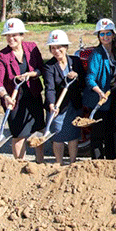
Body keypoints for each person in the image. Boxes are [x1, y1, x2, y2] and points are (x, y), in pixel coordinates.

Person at [0, 18, 46, 162]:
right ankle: (19, 164)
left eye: (15, 35)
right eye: (8, 35)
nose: (11, 38)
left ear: (22, 35)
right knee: (19, 133)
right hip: (14, 100)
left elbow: (41, 68)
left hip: (33, 96)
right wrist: (5, 96)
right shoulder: (2, 55)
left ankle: (39, 162)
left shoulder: (32, 48)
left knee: (38, 130)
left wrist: (32, 74)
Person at [43, 30, 85, 165]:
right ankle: (59, 163)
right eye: (53, 48)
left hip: (74, 104)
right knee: (58, 136)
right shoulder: (49, 66)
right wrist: (51, 104)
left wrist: (77, 77)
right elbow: (49, 88)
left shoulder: (75, 61)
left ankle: (72, 163)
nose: (56, 51)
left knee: (73, 135)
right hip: (58, 107)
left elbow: (83, 82)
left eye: (59, 47)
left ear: (66, 47)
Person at [83, 18, 116, 160]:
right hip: (98, 99)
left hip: (112, 97)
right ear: (98, 36)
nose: (105, 37)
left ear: (113, 35)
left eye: (108, 33)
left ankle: (112, 160)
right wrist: (99, 92)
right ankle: (97, 162)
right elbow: (90, 78)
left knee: (110, 131)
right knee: (98, 134)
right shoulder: (96, 55)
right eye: (102, 34)